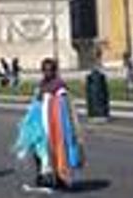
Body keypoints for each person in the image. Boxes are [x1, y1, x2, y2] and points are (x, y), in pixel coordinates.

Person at [13, 58, 85, 192]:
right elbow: (37, 100)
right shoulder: (42, 84)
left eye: (49, 70)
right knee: (39, 151)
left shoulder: (59, 85)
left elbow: (64, 104)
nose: (47, 73)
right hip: (41, 124)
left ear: (54, 71)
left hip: (55, 125)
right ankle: (41, 176)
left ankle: (60, 178)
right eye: (44, 70)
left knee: (56, 152)